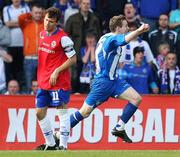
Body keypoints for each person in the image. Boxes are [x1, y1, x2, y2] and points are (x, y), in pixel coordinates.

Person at [68, 15, 150, 143]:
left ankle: (119, 127)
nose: (127, 28)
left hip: (114, 80)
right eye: (125, 26)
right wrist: (139, 30)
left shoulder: (105, 37)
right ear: (118, 28)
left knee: (136, 98)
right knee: (84, 112)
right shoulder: (112, 39)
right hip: (102, 83)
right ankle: (58, 135)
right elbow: (123, 40)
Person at [35, 7, 77, 150]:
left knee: (62, 111)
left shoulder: (63, 38)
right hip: (43, 81)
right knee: (39, 113)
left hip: (59, 82)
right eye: (46, 20)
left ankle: (63, 146)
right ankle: (51, 144)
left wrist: (57, 71)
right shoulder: (41, 34)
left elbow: (73, 59)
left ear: (57, 23)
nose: (47, 24)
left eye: (51, 22)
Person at [18, 2, 44, 93]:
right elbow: (20, 18)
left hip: (42, 59)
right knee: (29, 85)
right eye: (35, 13)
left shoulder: (45, 24)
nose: (38, 15)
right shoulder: (25, 24)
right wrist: (30, 13)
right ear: (31, 13)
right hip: (29, 59)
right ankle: (29, 105)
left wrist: (43, 13)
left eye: (40, 13)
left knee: (43, 84)